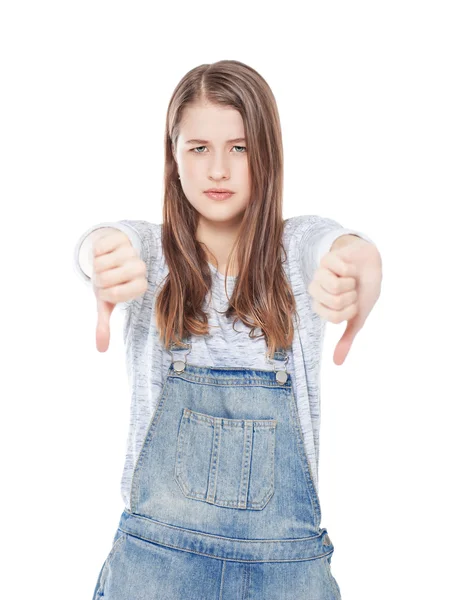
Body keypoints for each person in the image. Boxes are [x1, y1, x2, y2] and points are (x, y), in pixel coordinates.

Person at [73, 59, 378, 600]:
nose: (219, 169)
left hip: (286, 574)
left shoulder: (293, 254)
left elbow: (338, 245)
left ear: (268, 153)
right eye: (199, 148)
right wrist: (100, 256)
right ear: (173, 157)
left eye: (239, 148)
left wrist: (361, 265)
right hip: (154, 570)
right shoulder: (152, 256)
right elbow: (105, 241)